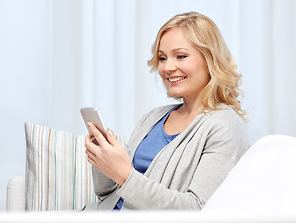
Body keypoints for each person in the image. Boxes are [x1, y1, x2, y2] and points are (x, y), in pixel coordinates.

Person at [83, 11, 249, 210]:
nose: (168, 67)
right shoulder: (153, 118)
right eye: (162, 58)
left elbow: (197, 209)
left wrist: (124, 174)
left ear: (209, 60)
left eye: (180, 56)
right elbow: (107, 194)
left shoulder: (224, 125)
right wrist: (103, 161)